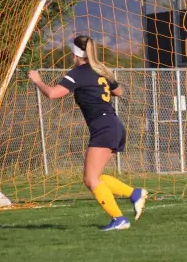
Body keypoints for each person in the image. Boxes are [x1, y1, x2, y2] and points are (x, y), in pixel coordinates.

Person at [28, 35, 148, 231]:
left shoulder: (78, 73)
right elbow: (119, 92)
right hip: (113, 125)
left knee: (90, 179)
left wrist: (38, 81)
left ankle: (119, 219)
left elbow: (52, 94)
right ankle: (134, 194)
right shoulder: (101, 70)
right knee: (95, 177)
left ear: (76, 55)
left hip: (104, 127)